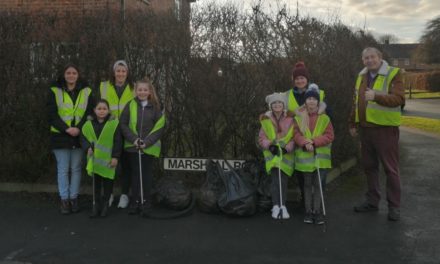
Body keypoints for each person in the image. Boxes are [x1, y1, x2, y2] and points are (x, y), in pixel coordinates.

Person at [350, 47, 405, 221]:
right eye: (366, 58)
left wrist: (376, 96)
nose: (369, 60)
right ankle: (372, 202)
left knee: (390, 169)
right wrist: (352, 122)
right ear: (362, 60)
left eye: (372, 57)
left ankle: (394, 207)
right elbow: (356, 101)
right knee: (369, 167)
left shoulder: (393, 73)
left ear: (379, 57)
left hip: (385, 130)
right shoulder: (361, 76)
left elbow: (399, 99)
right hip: (365, 130)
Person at [47, 63, 94, 214]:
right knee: (62, 169)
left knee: (76, 168)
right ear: (64, 74)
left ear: (78, 75)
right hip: (60, 135)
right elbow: (52, 114)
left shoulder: (87, 91)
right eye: (68, 73)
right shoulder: (54, 90)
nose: (71, 75)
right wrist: (67, 129)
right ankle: (64, 200)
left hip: (80, 135)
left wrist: (78, 128)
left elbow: (90, 112)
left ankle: (74, 198)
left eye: (74, 73)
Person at [284, 61, 330, 208]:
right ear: (293, 80)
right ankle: (306, 203)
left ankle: (318, 203)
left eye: (302, 78)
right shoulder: (287, 95)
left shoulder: (318, 94)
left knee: (318, 176)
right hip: (297, 137)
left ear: (307, 79)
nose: (299, 81)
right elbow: (283, 113)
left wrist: (316, 140)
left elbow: (328, 116)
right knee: (302, 173)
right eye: (297, 78)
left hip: (316, 139)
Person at [120, 78, 165, 216]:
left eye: (145, 90)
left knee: (146, 175)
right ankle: (135, 202)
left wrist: (147, 142)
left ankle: (146, 201)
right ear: (136, 91)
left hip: (148, 147)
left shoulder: (156, 107)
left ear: (150, 91)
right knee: (135, 175)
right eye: (140, 89)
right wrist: (134, 140)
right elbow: (123, 124)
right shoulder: (130, 104)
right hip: (133, 147)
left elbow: (160, 127)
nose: (142, 92)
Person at [293, 88, 334, 225]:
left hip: (320, 159)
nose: (311, 101)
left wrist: (314, 142)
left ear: (318, 101)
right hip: (305, 159)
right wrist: (305, 142)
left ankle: (317, 211)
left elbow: (329, 136)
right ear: (305, 101)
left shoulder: (325, 118)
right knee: (307, 185)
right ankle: (308, 211)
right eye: (309, 98)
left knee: (318, 186)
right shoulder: (298, 118)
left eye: (314, 99)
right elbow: (296, 134)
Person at [99, 60, 135, 209]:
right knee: (109, 165)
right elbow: (99, 107)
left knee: (126, 166)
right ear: (113, 72)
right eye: (118, 71)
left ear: (127, 73)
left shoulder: (133, 88)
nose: (120, 74)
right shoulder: (104, 86)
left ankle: (125, 195)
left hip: (127, 131)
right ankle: (109, 195)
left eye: (123, 71)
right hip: (110, 131)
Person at [81, 99, 122, 218]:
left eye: (104, 108)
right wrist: (87, 148)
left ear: (108, 110)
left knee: (108, 184)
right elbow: (83, 138)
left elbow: (118, 141)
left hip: (109, 161)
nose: (102, 111)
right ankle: (95, 206)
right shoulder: (88, 124)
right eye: (99, 109)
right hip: (95, 161)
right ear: (94, 110)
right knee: (96, 185)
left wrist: (115, 157)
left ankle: (105, 206)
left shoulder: (114, 123)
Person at [258, 93, 295, 220]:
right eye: (274, 103)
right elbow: (262, 137)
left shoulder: (291, 119)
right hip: (272, 155)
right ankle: (275, 206)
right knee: (275, 180)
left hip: (285, 154)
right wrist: (270, 146)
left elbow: (294, 136)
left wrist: (287, 148)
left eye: (279, 103)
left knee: (283, 181)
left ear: (283, 105)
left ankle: (283, 205)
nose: (277, 105)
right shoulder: (266, 119)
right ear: (271, 106)